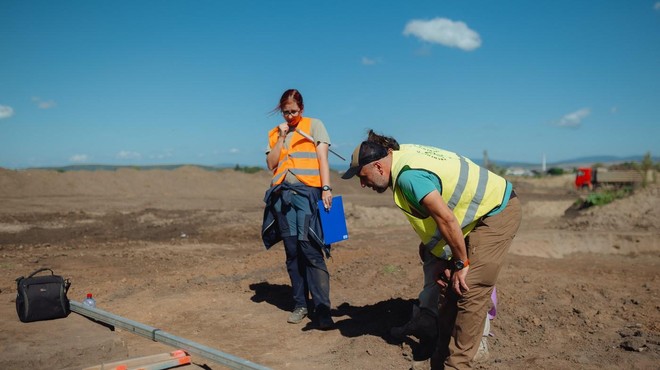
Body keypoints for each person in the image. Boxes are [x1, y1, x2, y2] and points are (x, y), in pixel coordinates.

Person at [342, 130, 522, 368]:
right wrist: (438, 256)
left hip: (497, 211)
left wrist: (460, 263)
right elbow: (436, 221)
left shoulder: (408, 178)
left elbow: (447, 219)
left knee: (469, 289)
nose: (363, 184)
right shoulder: (399, 157)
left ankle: (459, 362)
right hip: (473, 218)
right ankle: (439, 360)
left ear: (378, 167)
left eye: (363, 177)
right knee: (449, 290)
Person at [261, 89, 335, 329]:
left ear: (301, 109)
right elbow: (271, 164)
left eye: (294, 111)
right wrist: (282, 138)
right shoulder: (275, 133)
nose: (290, 115)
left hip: (309, 193)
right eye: (286, 112)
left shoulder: (315, 126)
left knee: (311, 250)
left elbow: (323, 159)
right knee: (292, 252)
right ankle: (301, 304)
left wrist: (326, 188)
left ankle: (322, 309)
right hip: (283, 197)